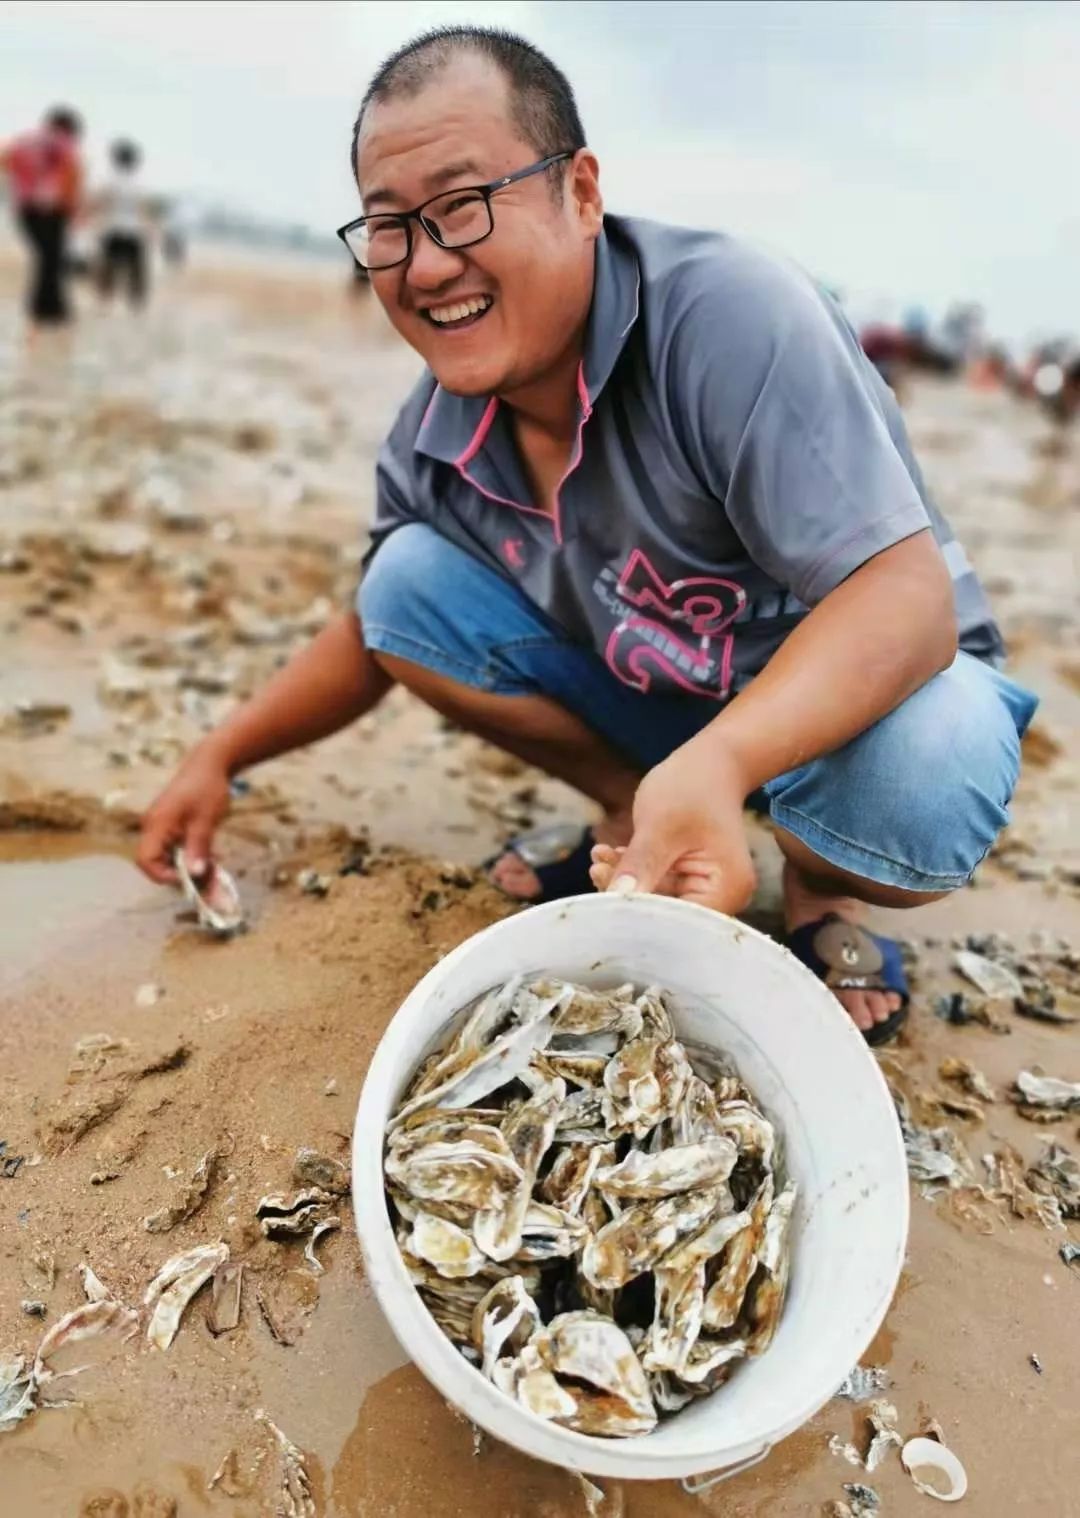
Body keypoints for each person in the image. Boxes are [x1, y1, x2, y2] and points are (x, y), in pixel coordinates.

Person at [138, 25, 1037, 1044]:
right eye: (389, 228)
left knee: (927, 770)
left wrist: (727, 763)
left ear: (580, 193)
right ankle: (637, 817)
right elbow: (376, 633)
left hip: (859, 699)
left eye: (463, 205)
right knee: (403, 581)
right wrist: (220, 755)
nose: (427, 266)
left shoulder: (727, 316)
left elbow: (905, 597)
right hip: (673, 698)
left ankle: (822, 884)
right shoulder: (434, 429)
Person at [0, 105, 84, 329]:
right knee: (52, 260)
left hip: (25, 209)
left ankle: (45, 308)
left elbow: (4, 162)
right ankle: (49, 311)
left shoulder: (23, 141)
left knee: (44, 258)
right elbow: (72, 175)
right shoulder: (64, 141)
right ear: (69, 127)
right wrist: (74, 210)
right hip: (53, 208)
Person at [95, 139, 150, 308]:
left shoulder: (110, 180)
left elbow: (102, 204)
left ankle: (105, 299)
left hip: (112, 228)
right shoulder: (139, 183)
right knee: (136, 269)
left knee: (108, 266)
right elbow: (144, 210)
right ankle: (135, 301)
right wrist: (150, 230)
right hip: (134, 230)